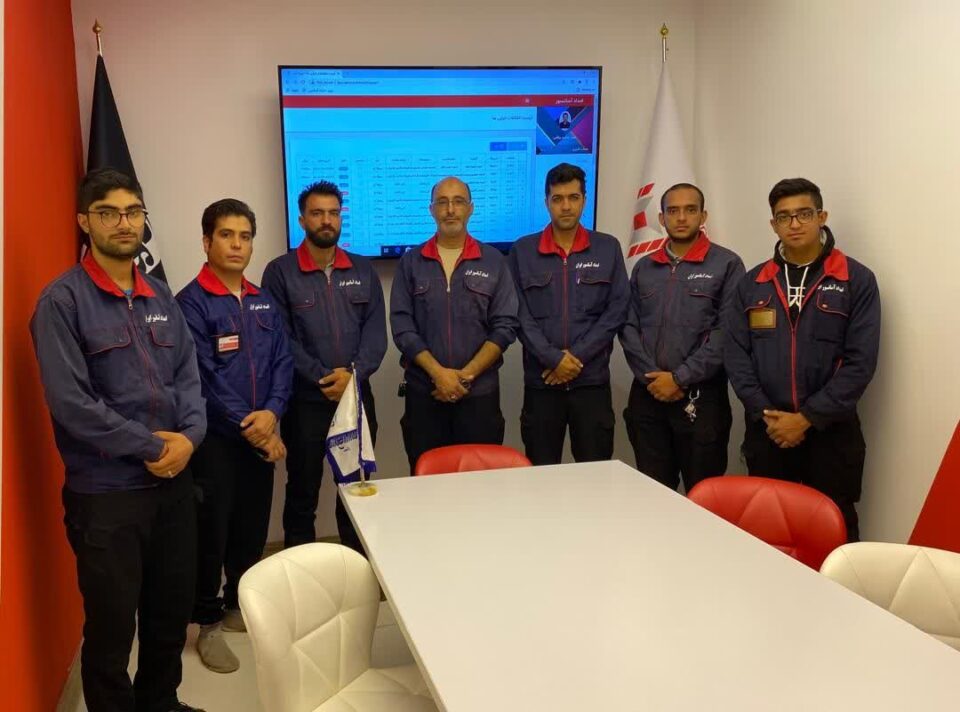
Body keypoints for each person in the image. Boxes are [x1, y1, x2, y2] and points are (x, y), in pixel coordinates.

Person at [30, 168, 206, 712]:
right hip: (107, 496)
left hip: (174, 490)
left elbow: (189, 379)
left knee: (168, 615)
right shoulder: (62, 302)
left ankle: (161, 703)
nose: (124, 223)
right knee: (110, 629)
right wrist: (155, 448)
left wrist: (190, 439)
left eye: (133, 211)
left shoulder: (161, 296)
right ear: (85, 222)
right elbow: (72, 405)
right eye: (108, 213)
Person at [724, 178, 881, 540]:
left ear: (821, 217)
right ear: (773, 224)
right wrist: (769, 416)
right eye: (784, 217)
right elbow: (737, 357)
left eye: (804, 214)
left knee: (834, 535)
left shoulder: (856, 280)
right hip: (769, 433)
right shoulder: (752, 283)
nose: (794, 224)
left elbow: (860, 363)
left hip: (831, 435)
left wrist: (807, 418)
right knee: (767, 536)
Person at [176, 199, 293, 673]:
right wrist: (256, 429)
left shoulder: (262, 299)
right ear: (207, 242)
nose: (237, 245)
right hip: (217, 442)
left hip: (260, 432)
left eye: (245, 237)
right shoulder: (189, 303)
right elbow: (201, 379)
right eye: (226, 235)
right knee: (212, 532)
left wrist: (273, 412)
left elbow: (282, 361)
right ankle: (206, 622)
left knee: (251, 526)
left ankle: (236, 604)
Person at [262, 181, 386, 552]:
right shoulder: (280, 272)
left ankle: (358, 564)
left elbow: (375, 335)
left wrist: (353, 376)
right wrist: (323, 377)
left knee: (357, 488)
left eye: (333, 213)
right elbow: (280, 338)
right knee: (303, 490)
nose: (326, 220)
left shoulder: (363, 269)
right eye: (317, 213)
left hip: (355, 399)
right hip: (305, 402)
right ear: (302, 220)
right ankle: (301, 567)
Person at [620, 183, 745, 492]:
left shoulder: (727, 264)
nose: (681, 217)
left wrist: (679, 378)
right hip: (648, 396)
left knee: (703, 495)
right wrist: (653, 378)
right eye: (673, 211)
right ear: (661, 218)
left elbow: (727, 332)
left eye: (690, 210)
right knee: (653, 494)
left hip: (701, 399)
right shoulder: (645, 267)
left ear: (703, 216)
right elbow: (628, 326)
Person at [390, 176, 519, 471]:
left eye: (458, 201)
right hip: (425, 396)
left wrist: (464, 377)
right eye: (442, 202)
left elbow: (505, 326)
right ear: (431, 210)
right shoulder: (411, 262)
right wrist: (438, 374)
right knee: (426, 483)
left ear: (470, 208)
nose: (450, 210)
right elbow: (402, 326)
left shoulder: (493, 261)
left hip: (480, 398)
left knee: (480, 486)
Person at [508, 163, 628, 464]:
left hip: (591, 383)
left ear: (584, 200)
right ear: (546, 201)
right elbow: (518, 314)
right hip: (542, 384)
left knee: (595, 473)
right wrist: (553, 359)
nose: (566, 206)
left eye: (573, 197)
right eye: (557, 198)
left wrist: (574, 358)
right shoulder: (523, 251)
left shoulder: (607, 248)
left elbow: (616, 310)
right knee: (541, 472)